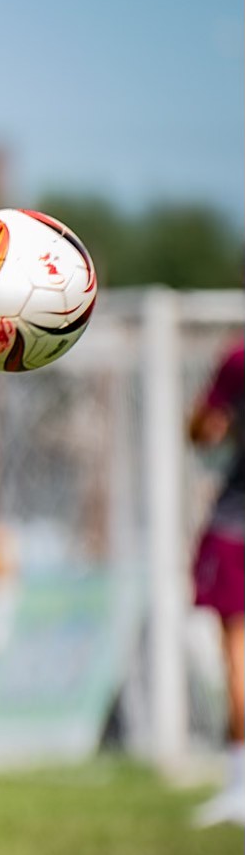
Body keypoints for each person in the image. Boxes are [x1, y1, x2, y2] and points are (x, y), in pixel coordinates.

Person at [189, 337, 245, 828]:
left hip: (235, 523)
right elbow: (205, 432)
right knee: (235, 656)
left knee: (236, 655)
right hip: (235, 523)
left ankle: (240, 784)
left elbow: (205, 431)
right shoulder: (235, 360)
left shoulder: (236, 360)